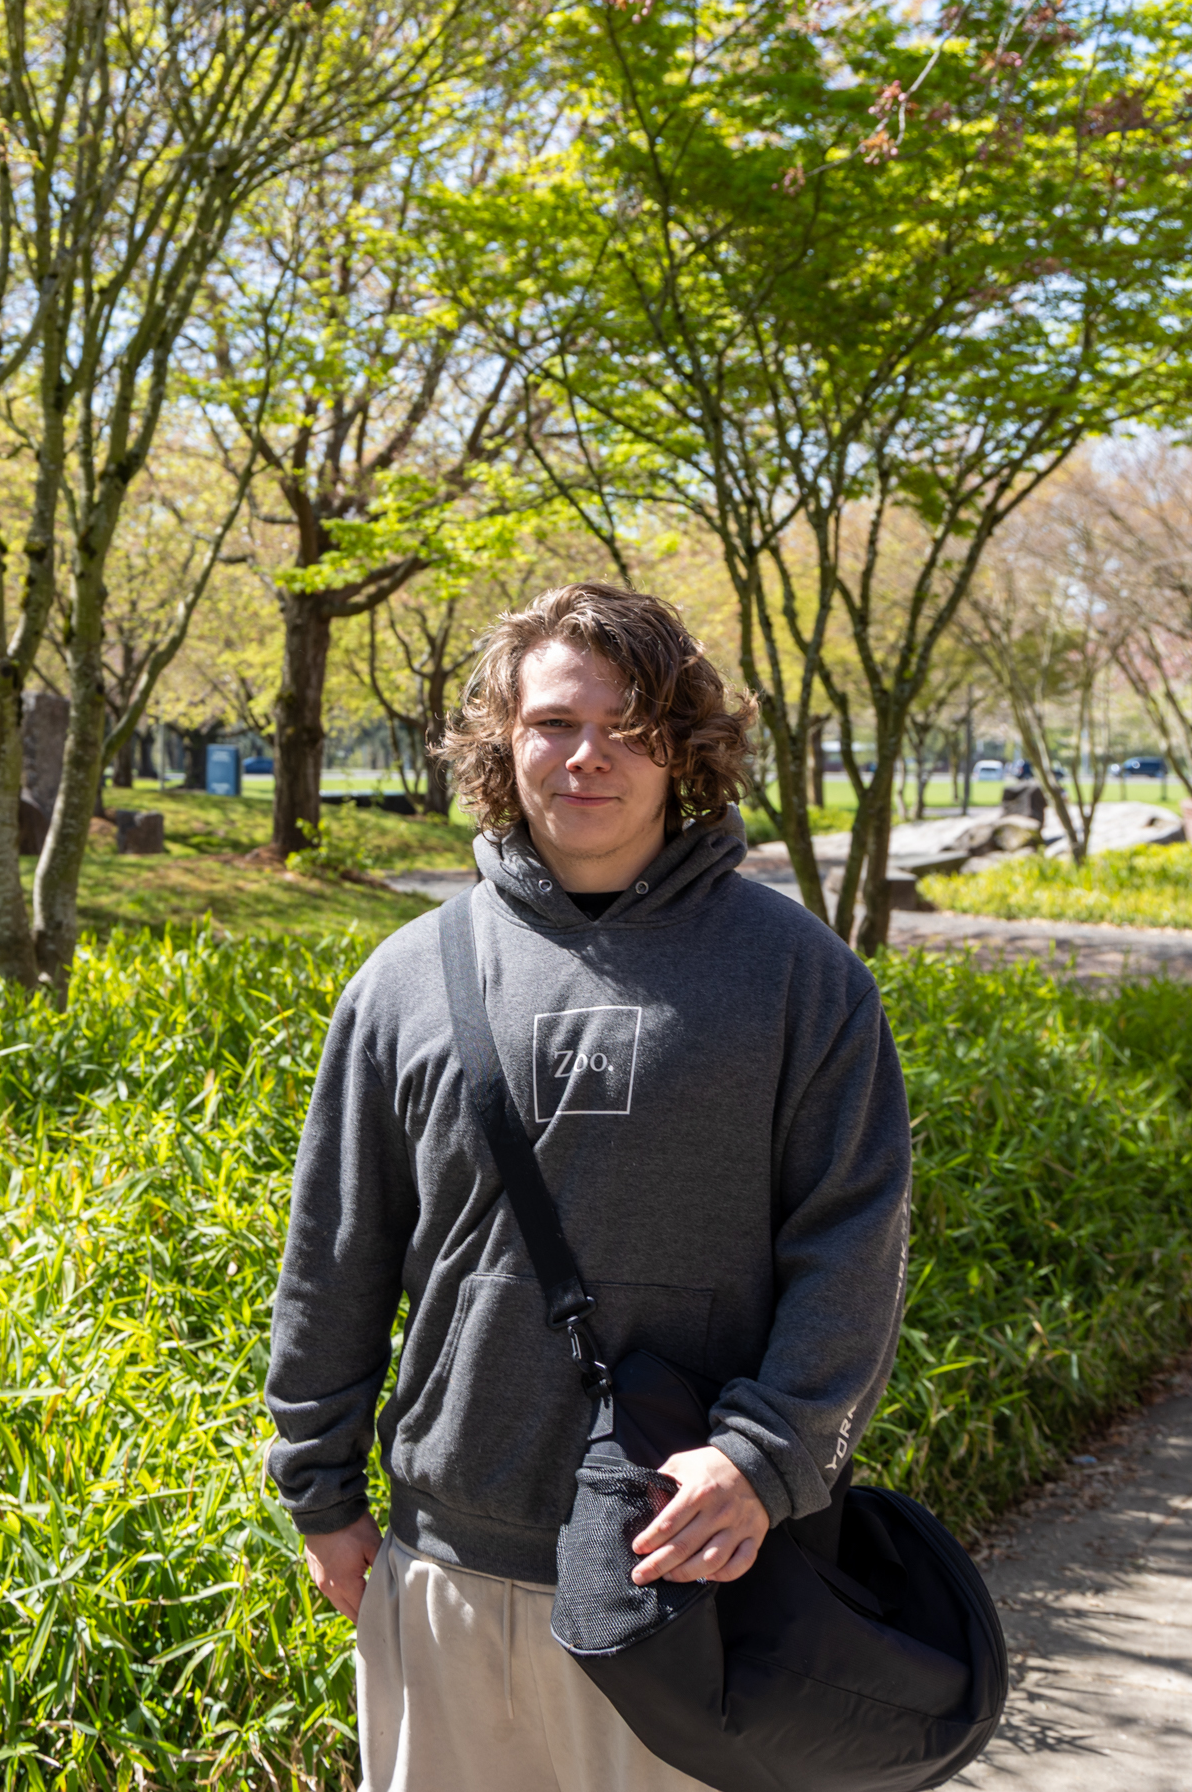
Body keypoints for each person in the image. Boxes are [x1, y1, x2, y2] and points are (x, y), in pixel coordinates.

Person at [262, 582, 913, 1792]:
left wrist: (767, 1456)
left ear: (688, 748)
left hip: (692, 1571)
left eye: (632, 725)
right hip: (447, 1562)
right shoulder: (408, 979)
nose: (588, 757)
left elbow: (853, 1244)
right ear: (503, 746)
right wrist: (320, 1487)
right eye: (555, 722)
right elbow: (335, 1248)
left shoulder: (802, 981)